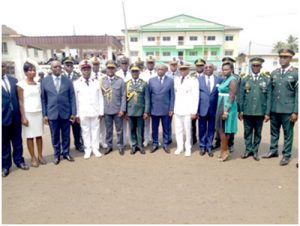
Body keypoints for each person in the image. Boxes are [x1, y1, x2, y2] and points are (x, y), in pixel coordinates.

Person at [263, 49, 298, 166]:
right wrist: (268, 112)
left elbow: (298, 94)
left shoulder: (296, 73)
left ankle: (286, 155)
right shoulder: (274, 73)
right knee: (274, 132)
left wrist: (295, 111)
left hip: (288, 110)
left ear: (290, 58)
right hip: (275, 109)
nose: (282, 59)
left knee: (288, 134)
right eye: (281, 57)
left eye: (285, 57)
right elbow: (270, 93)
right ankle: (273, 150)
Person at [41, 60, 76, 165]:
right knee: (54, 135)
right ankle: (56, 155)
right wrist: (45, 114)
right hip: (52, 113)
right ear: (51, 68)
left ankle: (66, 153)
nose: (57, 68)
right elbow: (43, 99)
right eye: (55, 67)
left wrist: (73, 112)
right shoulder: (44, 81)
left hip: (65, 112)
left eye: (59, 67)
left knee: (66, 135)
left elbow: (72, 97)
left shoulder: (67, 80)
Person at [238, 57, 271, 161]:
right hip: (247, 111)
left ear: (261, 67)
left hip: (260, 111)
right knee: (247, 132)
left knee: (258, 132)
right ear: (251, 66)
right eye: (253, 65)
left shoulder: (266, 80)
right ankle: (248, 150)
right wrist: (240, 110)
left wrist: (267, 113)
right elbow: (241, 96)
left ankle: (255, 151)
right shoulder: (245, 79)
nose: (255, 67)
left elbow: (269, 97)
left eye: (257, 66)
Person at [2, 62, 29, 177]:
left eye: (4, 66)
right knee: (3, 144)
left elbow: (19, 99)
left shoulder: (13, 80)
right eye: (1, 66)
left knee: (17, 141)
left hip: (16, 117)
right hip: (2, 118)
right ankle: (5, 166)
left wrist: (22, 115)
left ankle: (19, 161)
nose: (3, 68)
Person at [17, 61, 45, 167]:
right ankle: (33, 158)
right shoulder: (20, 85)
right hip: (28, 114)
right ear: (25, 72)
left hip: (38, 113)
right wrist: (23, 117)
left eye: (34, 70)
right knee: (29, 137)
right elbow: (20, 102)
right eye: (30, 70)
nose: (32, 72)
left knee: (39, 136)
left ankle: (40, 156)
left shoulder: (38, 84)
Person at [74, 60, 104, 159]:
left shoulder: (96, 82)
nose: (86, 71)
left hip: (95, 110)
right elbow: (76, 100)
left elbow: (100, 97)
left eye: (88, 69)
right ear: (81, 71)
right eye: (84, 69)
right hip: (83, 111)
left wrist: (101, 111)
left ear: (91, 70)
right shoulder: (77, 83)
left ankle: (95, 148)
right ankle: (88, 149)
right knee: (85, 131)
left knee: (95, 130)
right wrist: (77, 114)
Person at [101, 60, 126, 155]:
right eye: (109, 68)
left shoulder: (120, 81)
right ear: (106, 69)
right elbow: (100, 96)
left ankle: (120, 146)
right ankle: (109, 146)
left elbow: (123, 96)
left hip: (117, 110)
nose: (110, 70)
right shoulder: (102, 81)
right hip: (106, 110)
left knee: (119, 130)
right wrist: (101, 110)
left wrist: (122, 110)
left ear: (115, 69)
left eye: (112, 68)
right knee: (108, 130)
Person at [173, 64, 199, 156]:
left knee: (188, 130)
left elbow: (196, 96)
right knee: (178, 130)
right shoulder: (176, 79)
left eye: (185, 69)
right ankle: (180, 147)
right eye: (181, 69)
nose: (183, 71)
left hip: (188, 110)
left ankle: (188, 148)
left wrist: (194, 111)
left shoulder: (193, 80)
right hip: (178, 109)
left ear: (188, 70)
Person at [148, 64, 175, 154]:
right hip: (154, 109)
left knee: (166, 128)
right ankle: (155, 144)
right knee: (154, 128)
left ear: (165, 70)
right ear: (156, 70)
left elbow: (172, 96)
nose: (160, 71)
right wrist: (148, 110)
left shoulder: (170, 81)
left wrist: (171, 109)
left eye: (162, 69)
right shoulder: (151, 81)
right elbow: (148, 96)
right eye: (158, 69)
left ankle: (165, 144)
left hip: (166, 109)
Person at [213, 57, 238, 151]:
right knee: (221, 128)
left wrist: (226, 111)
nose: (224, 71)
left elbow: (232, 96)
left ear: (231, 69)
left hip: (227, 105)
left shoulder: (233, 79)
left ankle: (225, 150)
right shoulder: (224, 79)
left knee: (226, 129)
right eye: (223, 69)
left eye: (227, 69)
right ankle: (223, 148)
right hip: (221, 103)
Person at [198, 63, 223, 157]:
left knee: (211, 129)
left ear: (213, 69)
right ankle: (202, 146)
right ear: (203, 69)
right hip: (202, 108)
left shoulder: (219, 79)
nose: (208, 68)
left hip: (214, 108)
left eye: (210, 67)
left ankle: (209, 146)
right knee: (202, 128)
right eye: (206, 67)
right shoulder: (198, 80)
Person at [126, 63, 150, 154]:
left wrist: (146, 111)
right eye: (133, 71)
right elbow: (125, 99)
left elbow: (147, 99)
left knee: (140, 129)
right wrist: (125, 111)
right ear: (131, 72)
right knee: (131, 129)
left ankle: (140, 146)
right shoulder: (127, 84)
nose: (135, 73)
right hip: (130, 110)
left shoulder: (144, 84)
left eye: (136, 71)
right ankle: (133, 146)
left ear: (139, 72)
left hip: (140, 111)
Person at [62, 56, 84, 153]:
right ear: (64, 66)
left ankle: (78, 144)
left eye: (71, 64)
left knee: (77, 128)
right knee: (64, 129)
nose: (69, 66)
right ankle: (65, 147)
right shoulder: (61, 76)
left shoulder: (78, 76)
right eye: (67, 64)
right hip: (64, 106)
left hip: (75, 105)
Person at [90, 56, 107, 149]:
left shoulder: (103, 76)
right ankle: (95, 142)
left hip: (102, 103)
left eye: (97, 64)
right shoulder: (89, 76)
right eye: (94, 64)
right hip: (93, 104)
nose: (96, 66)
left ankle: (103, 141)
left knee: (103, 125)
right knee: (94, 126)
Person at [140, 55, 156, 147]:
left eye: (152, 63)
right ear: (146, 64)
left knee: (155, 122)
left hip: (154, 102)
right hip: (145, 101)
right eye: (149, 63)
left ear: (154, 64)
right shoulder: (142, 74)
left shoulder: (157, 73)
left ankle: (154, 139)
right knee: (145, 122)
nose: (150, 64)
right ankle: (146, 139)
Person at [116, 56, 132, 148]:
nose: (124, 65)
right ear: (120, 65)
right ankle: (123, 141)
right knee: (122, 124)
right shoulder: (117, 74)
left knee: (130, 123)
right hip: (120, 102)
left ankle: (131, 141)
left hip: (130, 101)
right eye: (123, 63)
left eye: (126, 63)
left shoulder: (131, 73)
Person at [190, 58, 206, 145]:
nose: (199, 67)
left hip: (203, 102)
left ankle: (202, 139)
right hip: (193, 102)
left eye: (201, 65)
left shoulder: (207, 75)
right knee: (192, 123)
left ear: (204, 66)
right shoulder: (191, 76)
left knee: (203, 123)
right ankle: (193, 139)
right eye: (198, 65)